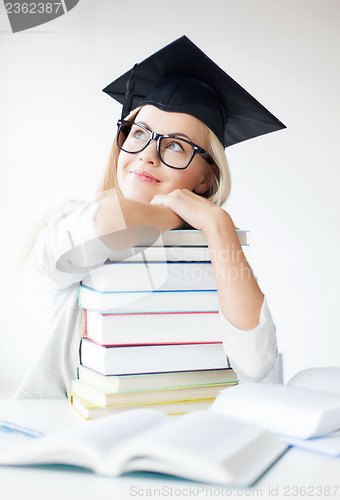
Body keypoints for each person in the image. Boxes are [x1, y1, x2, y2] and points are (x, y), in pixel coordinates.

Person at [15, 36, 285, 399]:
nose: (147, 154)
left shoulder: (215, 250)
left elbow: (255, 363)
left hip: (173, 427)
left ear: (207, 177)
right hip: (63, 423)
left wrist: (219, 226)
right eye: (139, 133)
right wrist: (174, 213)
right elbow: (110, 223)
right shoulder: (68, 220)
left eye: (175, 145)